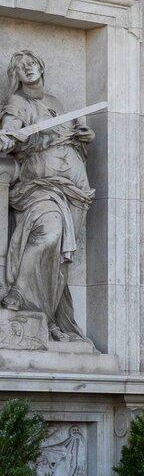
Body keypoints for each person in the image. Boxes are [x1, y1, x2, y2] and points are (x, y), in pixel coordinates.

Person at [0, 49, 94, 342]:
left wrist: (84, 138)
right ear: (16, 75)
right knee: (50, 231)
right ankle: (18, 293)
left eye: (31, 63)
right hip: (40, 184)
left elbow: (72, 136)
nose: (28, 68)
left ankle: (49, 319)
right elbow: (9, 131)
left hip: (75, 187)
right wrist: (8, 137)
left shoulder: (55, 103)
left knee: (62, 259)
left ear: (41, 66)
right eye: (21, 66)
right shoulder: (18, 102)